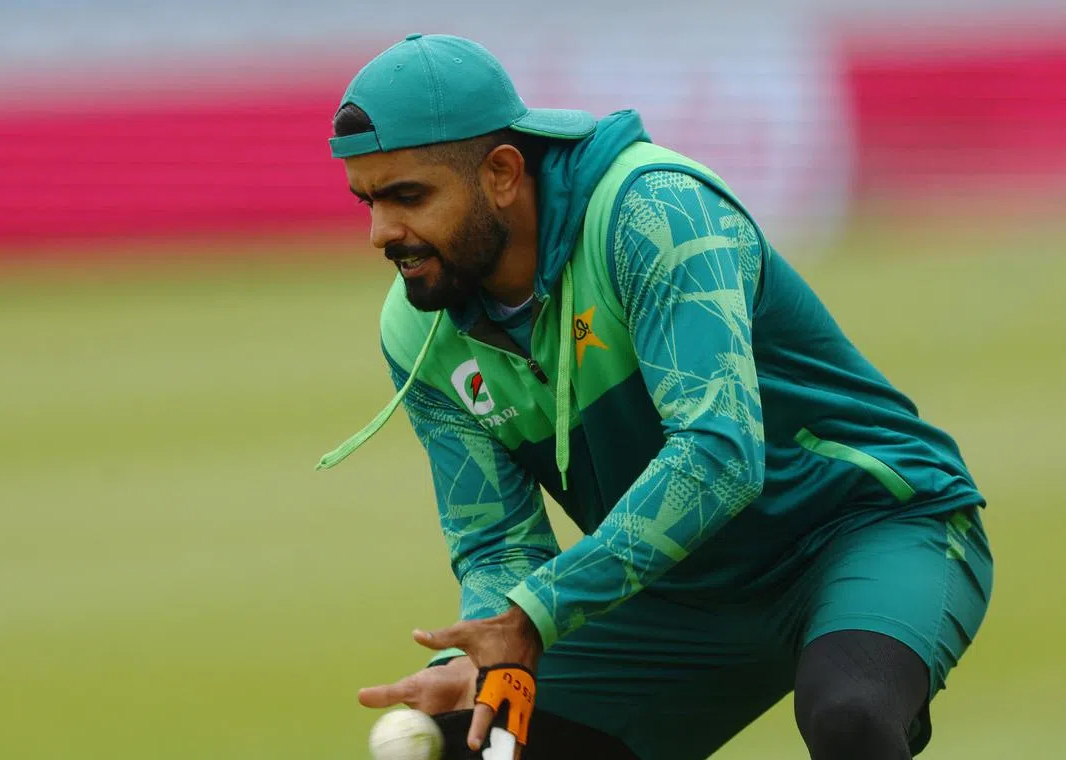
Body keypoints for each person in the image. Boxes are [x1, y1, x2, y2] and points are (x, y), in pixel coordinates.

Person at [317, 33, 993, 760]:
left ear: (503, 172)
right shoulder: (416, 325)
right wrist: (490, 649)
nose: (381, 232)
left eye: (407, 196)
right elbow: (497, 542)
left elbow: (717, 456)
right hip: (684, 589)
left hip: (864, 531)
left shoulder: (653, 212)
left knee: (851, 716)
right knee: (477, 742)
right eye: (367, 200)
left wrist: (534, 615)